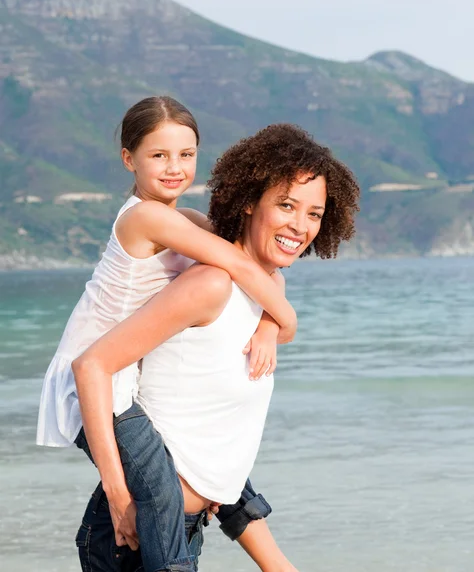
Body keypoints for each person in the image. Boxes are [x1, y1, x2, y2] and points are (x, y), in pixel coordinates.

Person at [72, 123, 361, 571]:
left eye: (314, 214)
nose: (300, 226)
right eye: (286, 205)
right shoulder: (210, 284)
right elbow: (94, 366)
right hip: (131, 535)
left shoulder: (263, 292)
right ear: (248, 201)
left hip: (183, 532)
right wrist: (116, 490)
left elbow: (215, 457)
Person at [36, 96, 299, 569]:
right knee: (156, 487)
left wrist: (265, 321)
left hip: (122, 374)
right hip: (95, 379)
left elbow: (253, 263)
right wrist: (289, 321)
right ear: (128, 159)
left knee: (208, 464)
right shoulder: (145, 216)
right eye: (159, 155)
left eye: (186, 154)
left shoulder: (181, 220)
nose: (175, 167)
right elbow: (238, 262)